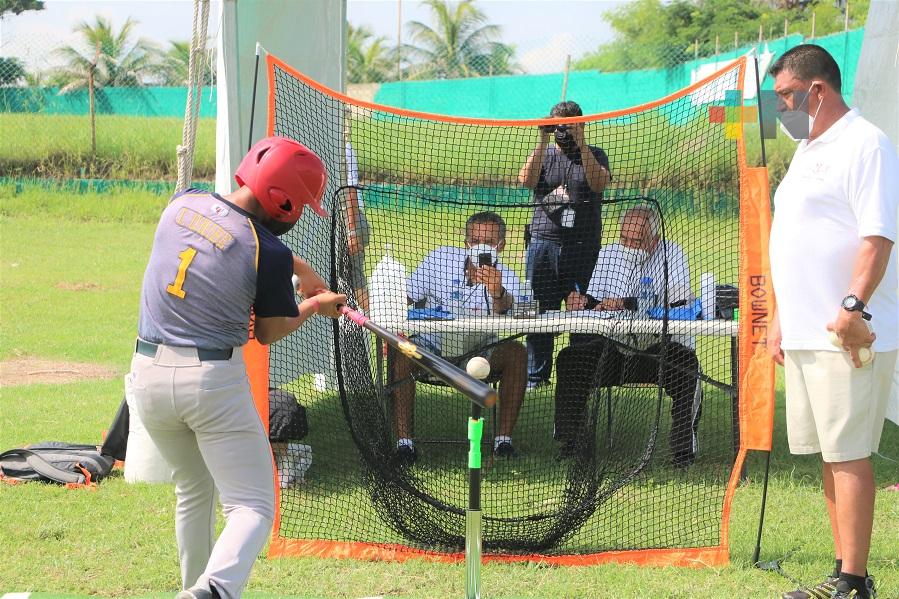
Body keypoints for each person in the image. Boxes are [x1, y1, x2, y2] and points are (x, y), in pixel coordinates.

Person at [128, 136, 346, 599]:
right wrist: (315, 305)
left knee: (194, 487)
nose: (299, 214)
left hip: (145, 376)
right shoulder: (269, 252)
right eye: (300, 205)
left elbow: (224, 235)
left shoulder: (183, 201)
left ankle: (192, 588)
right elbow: (268, 331)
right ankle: (212, 591)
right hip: (210, 383)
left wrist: (297, 266)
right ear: (282, 200)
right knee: (253, 506)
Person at [766, 45, 898, 599]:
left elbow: (877, 236)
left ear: (817, 90)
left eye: (786, 97)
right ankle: (842, 570)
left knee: (848, 454)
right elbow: (795, 238)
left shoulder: (866, 143)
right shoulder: (807, 147)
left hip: (845, 332)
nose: (781, 109)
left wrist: (851, 309)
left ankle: (853, 581)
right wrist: (780, 318)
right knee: (830, 453)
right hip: (805, 332)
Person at [555, 206, 701, 467]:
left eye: (636, 241)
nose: (629, 246)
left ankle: (682, 451)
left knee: (688, 365)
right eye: (625, 238)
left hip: (658, 350)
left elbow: (678, 303)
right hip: (613, 349)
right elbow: (595, 301)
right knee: (570, 359)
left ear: (654, 240)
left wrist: (626, 303)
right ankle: (572, 442)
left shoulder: (672, 254)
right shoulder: (608, 254)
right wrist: (582, 301)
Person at [391, 212, 527, 465]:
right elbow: (404, 297)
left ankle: (503, 442)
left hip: (480, 349)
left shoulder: (507, 277)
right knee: (402, 350)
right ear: (466, 243)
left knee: (517, 353)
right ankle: (404, 444)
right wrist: (388, 308)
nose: (481, 248)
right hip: (431, 346)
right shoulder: (439, 259)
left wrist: (497, 291)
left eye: (489, 242)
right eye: (475, 241)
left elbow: (511, 310)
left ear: (501, 246)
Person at [518, 100, 612, 389]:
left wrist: (581, 145)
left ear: (581, 125)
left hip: (583, 245)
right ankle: (536, 377)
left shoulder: (595, 154)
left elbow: (599, 184)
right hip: (543, 244)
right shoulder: (544, 154)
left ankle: (579, 377)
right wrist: (542, 138)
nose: (564, 132)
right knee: (540, 311)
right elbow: (525, 181)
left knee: (583, 310)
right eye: (559, 126)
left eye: (570, 126)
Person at [344, 136, 370, 311]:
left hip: (353, 218)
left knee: (355, 277)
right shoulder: (346, 148)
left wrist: (351, 231)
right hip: (354, 218)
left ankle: (372, 319)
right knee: (352, 275)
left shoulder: (343, 150)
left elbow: (351, 190)